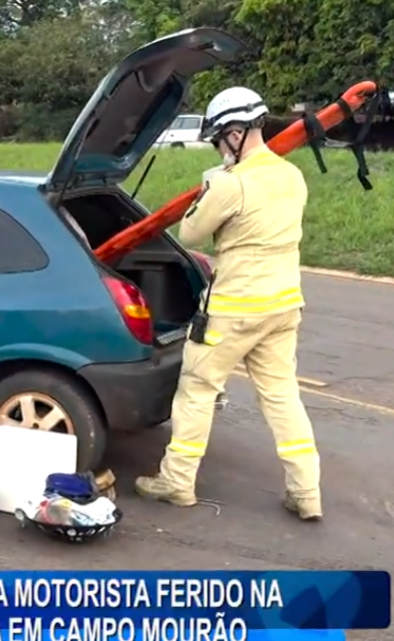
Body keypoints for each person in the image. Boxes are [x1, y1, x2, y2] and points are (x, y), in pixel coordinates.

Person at [134, 86, 323, 521]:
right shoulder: (292, 176)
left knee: (197, 392)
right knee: (282, 398)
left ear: (235, 134)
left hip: (235, 308)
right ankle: (307, 491)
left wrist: (209, 185)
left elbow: (189, 235)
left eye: (220, 138)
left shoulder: (230, 184)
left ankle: (176, 482)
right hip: (284, 304)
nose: (219, 147)